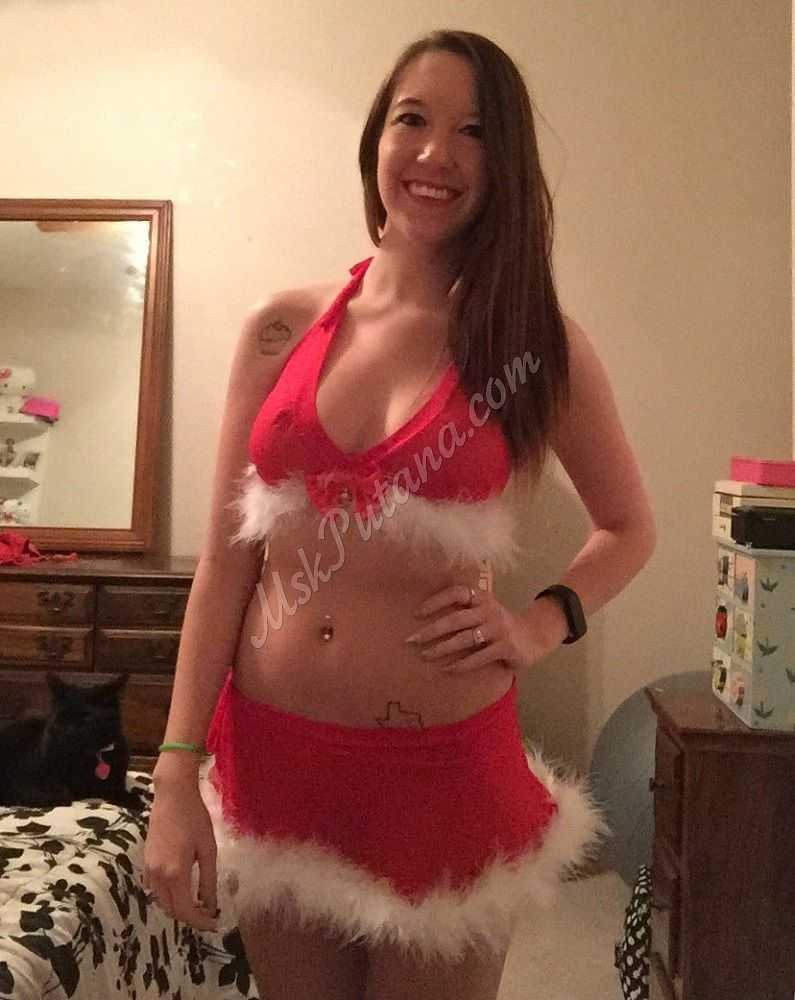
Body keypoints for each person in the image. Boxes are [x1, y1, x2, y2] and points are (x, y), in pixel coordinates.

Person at [143, 28, 656, 1000]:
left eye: (473, 131)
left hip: (440, 778)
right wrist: (175, 771)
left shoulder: (532, 344)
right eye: (412, 119)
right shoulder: (280, 329)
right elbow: (224, 562)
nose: (434, 153)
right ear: (375, 138)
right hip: (278, 766)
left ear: (505, 163)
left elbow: (628, 526)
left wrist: (538, 622)